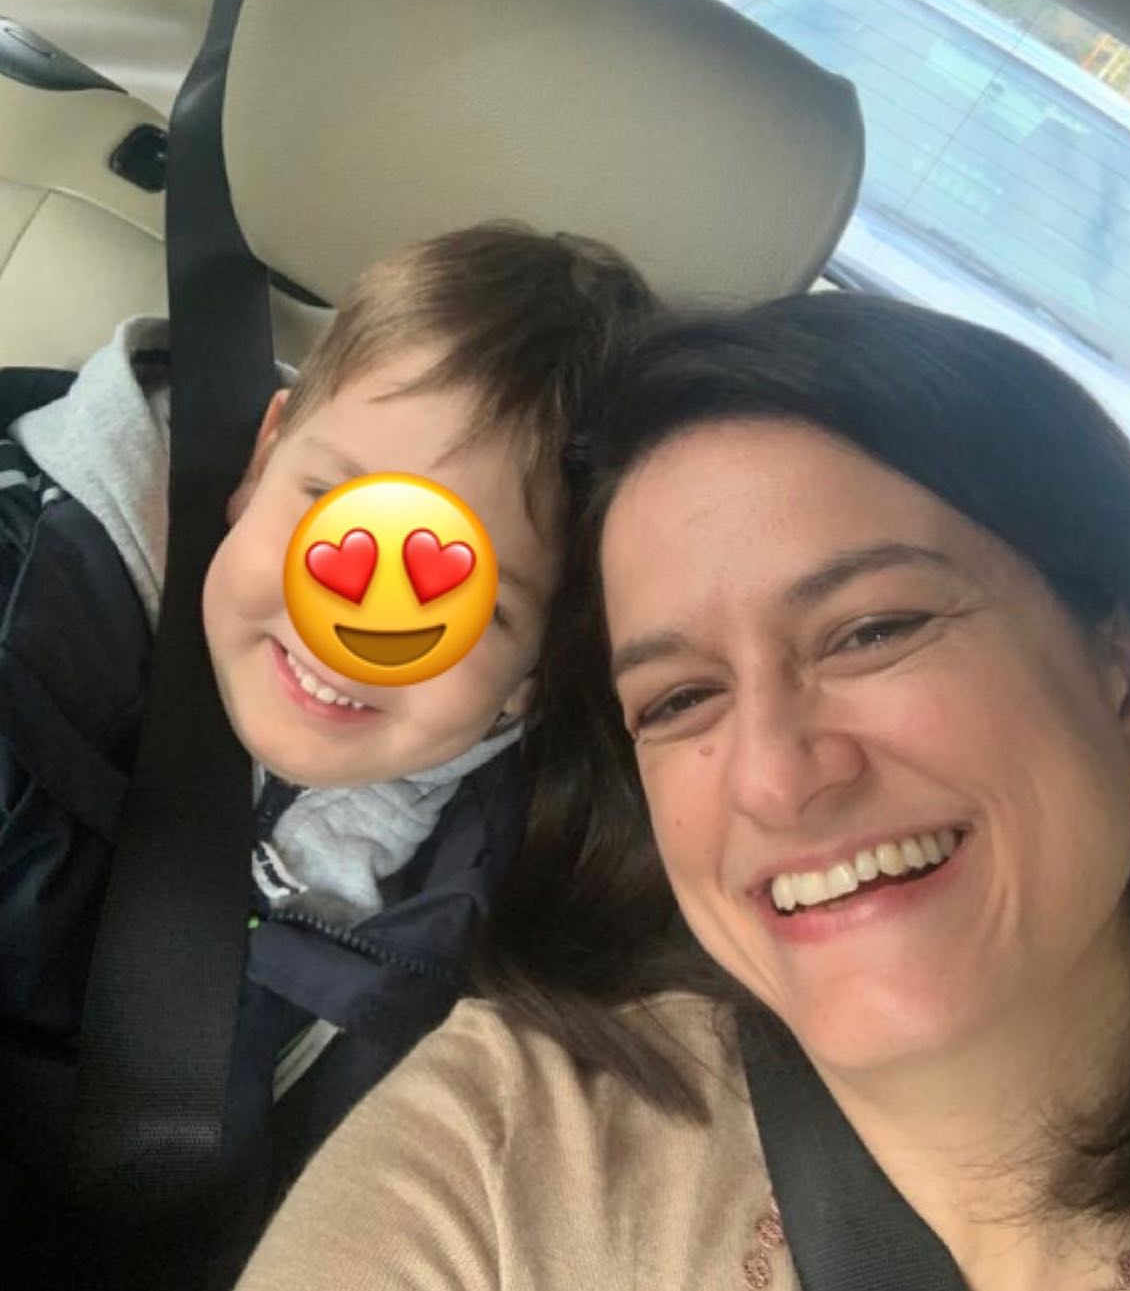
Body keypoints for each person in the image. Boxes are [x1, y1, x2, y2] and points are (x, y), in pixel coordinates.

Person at [238, 292, 1130, 1291]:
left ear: (1126, 683)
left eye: (872, 631)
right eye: (680, 699)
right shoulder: (497, 1151)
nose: (776, 779)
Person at [0, 223, 655, 1285]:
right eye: (337, 514)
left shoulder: (509, 898)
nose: (356, 626)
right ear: (263, 461)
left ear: (537, 671)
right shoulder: (31, 614)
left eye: (470, 602)